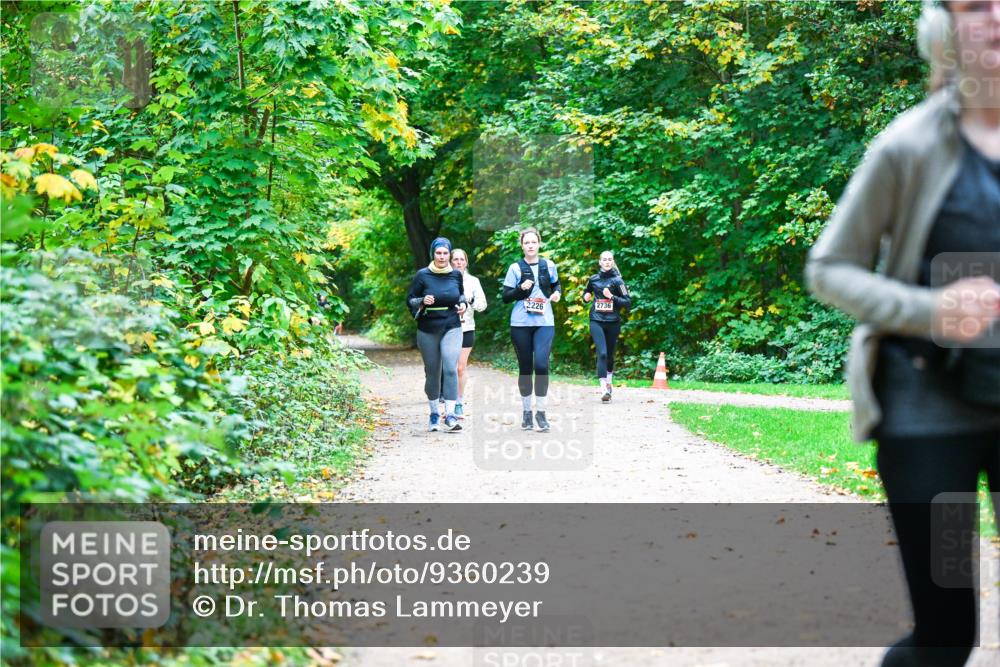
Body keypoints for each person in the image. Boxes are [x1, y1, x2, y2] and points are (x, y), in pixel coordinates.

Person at [806, 2, 1000, 665]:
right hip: (929, 418)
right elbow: (829, 268)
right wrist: (931, 311)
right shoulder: (909, 146)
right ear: (944, 30)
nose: (995, 18)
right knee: (946, 638)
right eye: (975, 5)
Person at [502, 227, 562, 432]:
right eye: (526, 242)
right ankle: (527, 412)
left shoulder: (549, 265)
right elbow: (505, 297)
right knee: (526, 368)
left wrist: (557, 294)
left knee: (542, 365)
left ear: (539, 244)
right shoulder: (515, 268)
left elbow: (556, 285)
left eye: (533, 242)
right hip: (520, 324)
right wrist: (521, 289)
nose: (530, 245)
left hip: (544, 322)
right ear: (522, 246)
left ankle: (541, 413)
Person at [406, 237, 467, 433]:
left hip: (452, 325)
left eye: (445, 253)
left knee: (450, 368)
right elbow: (410, 300)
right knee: (432, 372)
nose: (442, 257)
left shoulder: (456, 275)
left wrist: (463, 304)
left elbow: (461, 295)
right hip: (428, 328)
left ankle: (450, 415)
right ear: (433, 254)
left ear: (449, 254)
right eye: (438, 253)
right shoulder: (422, 275)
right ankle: (434, 413)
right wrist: (422, 300)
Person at [439, 248, 487, 418]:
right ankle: (448, 405)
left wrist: (470, 301)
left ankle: (459, 403)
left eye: (462, 259)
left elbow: (482, 305)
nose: (459, 262)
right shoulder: (443, 279)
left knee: (460, 368)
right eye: (456, 259)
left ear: (466, 262)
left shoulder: (473, 281)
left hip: (466, 328)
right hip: (446, 329)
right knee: (448, 368)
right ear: (450, 261)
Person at [582, 250, 632, 402]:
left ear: (612, 262)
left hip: (613, 322)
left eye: (610, 259)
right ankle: (603, 388)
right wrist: (585, 297)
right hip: (596, 320)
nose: (607, 262)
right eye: (604, 259)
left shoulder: (618, 281)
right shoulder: (593, 279)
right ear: (600, 262)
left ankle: (609, 382)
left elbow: (628, 302)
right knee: (602, 353)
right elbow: (586, 293)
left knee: (609, 355)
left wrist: (611, 297)